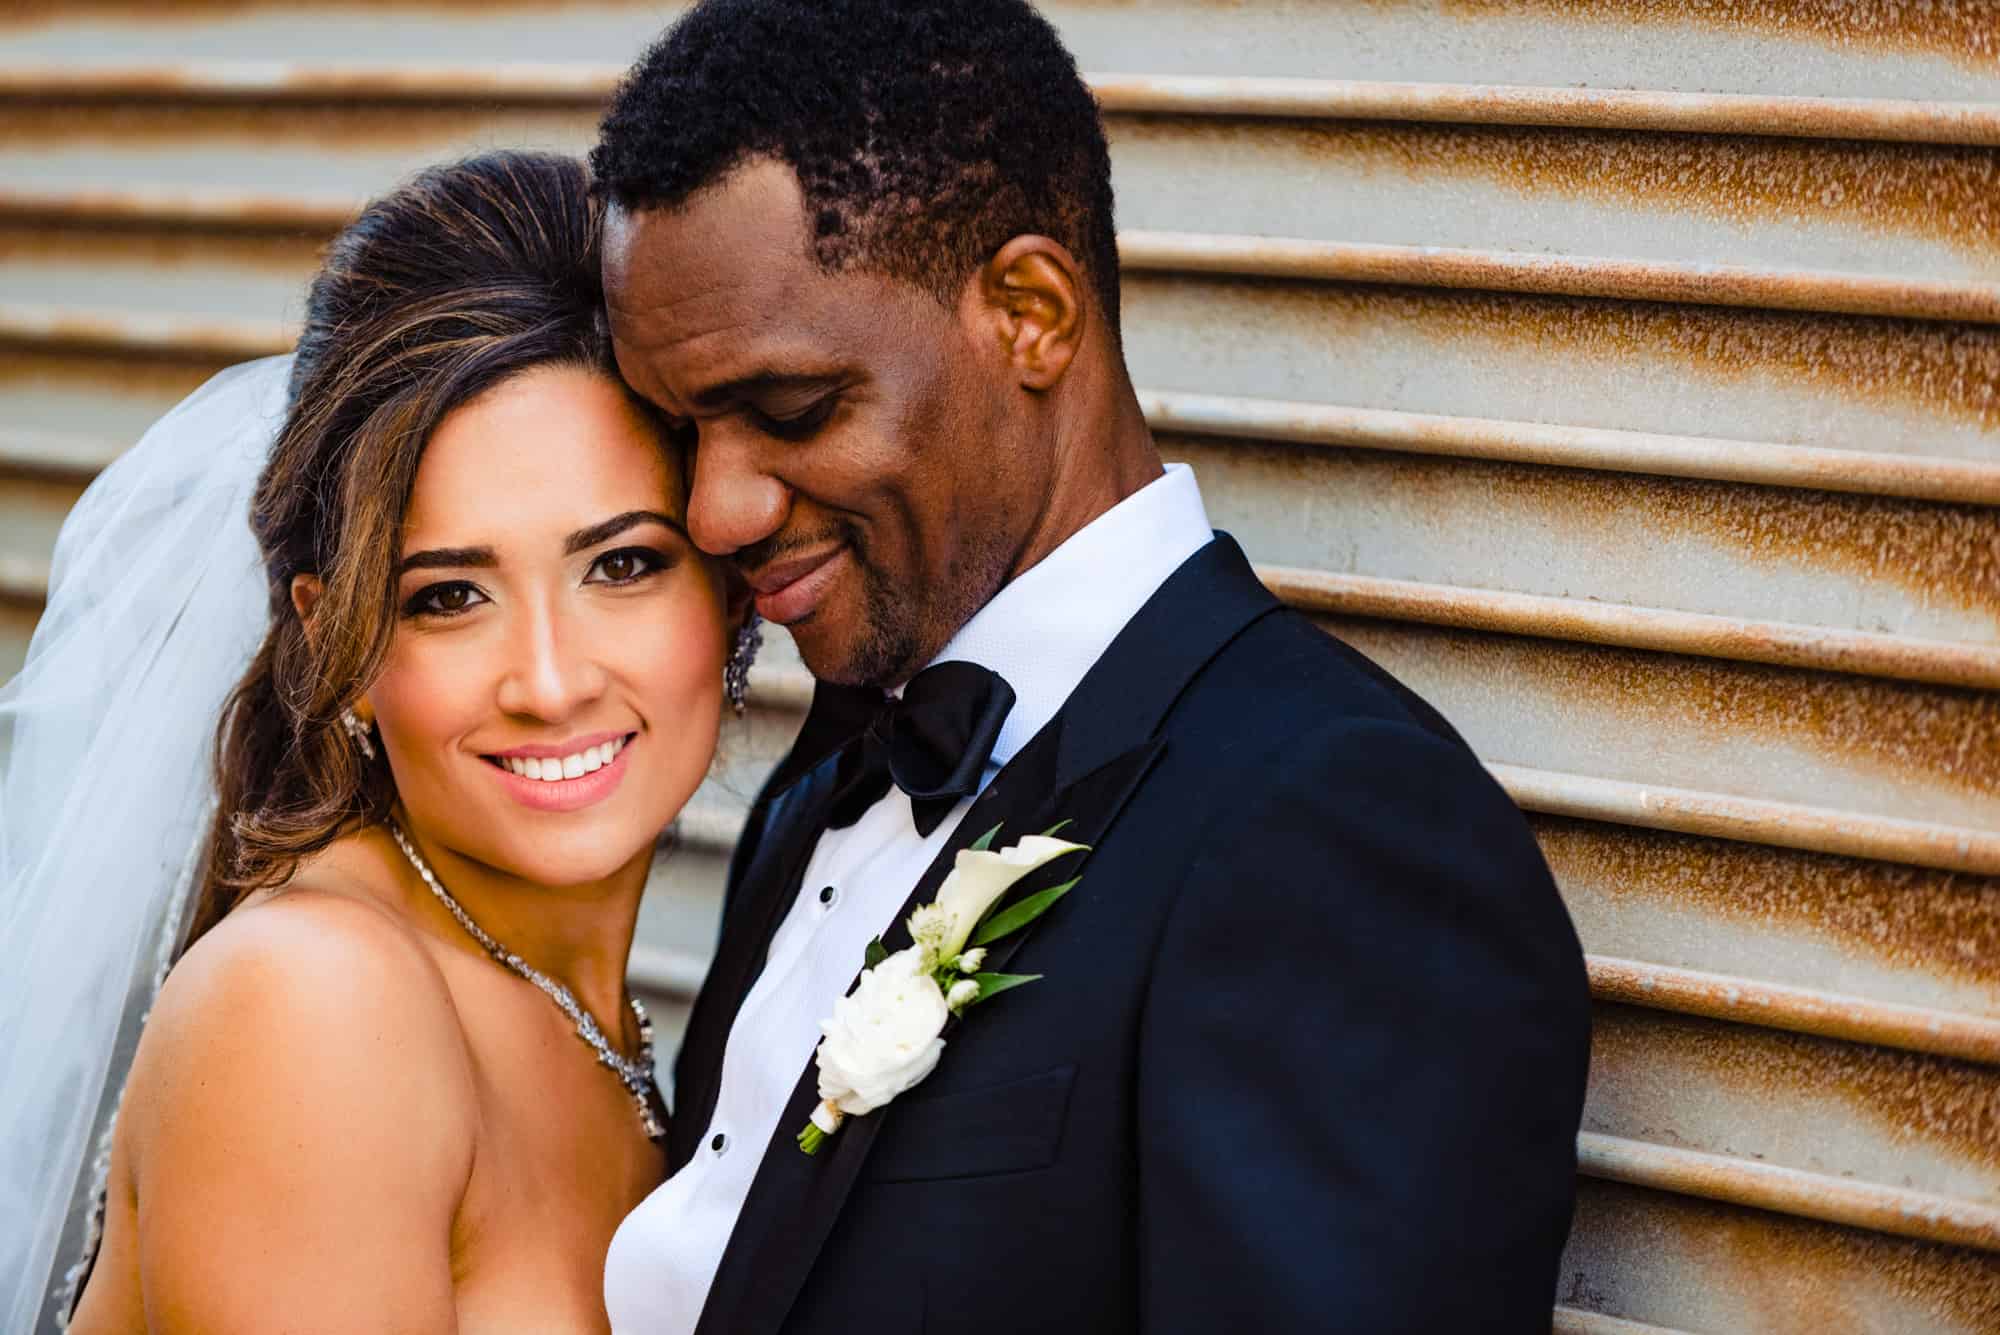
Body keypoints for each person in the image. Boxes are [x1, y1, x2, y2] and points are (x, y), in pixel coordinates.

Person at [591, 2, 1592, 1332]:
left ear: (1031, 311)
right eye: (679, 431)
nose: (715, 512)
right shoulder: (824, 778)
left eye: (789, 411)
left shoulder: (1329, 827)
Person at [1, 151, 756, 1333]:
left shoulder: (596, 1011)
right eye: (448, 596)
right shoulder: (317, 1007)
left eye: (623, 564)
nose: (551, 682)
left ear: (731, 578)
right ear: (333, 640)